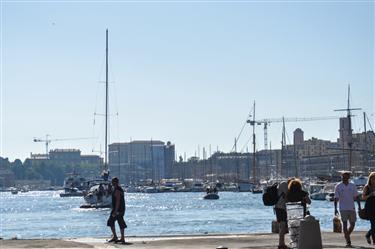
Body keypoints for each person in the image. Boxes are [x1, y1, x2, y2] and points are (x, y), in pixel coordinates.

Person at [334, 171, 361, 247]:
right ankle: (348, 241)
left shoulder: (352, 186)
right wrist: (335, 209)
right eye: (343, 177)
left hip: (352, 207)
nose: (344, 178)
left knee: (353, 224)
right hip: (343, 208)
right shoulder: (338, 186)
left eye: (346, 177)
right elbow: (336, 198)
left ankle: (347, 235)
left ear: (348, 177)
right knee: (345, 225)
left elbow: (356, 197)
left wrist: (359, 206)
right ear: (341, 177)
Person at [107, 177, 127, 244]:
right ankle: (121, 238)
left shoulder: (117, 190)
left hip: (118, 209)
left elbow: (118, 201)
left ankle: (117, 237)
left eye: (113, 182)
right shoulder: (118, 189)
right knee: (118, 221)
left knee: (111, 221)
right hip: (120, 209)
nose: (112, 183)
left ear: (115, 182)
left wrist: (115, 211)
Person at [274, 180, 289, 249]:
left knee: (281, 226)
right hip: (281, 208)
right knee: (282, 227)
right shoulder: (284, 184)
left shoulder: (281, 185)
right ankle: (281, 244)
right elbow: (286, 196)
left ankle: (281, 243)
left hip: (277, 208)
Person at [362, 172, 375, 245]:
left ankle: (368, 235)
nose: (374, 180)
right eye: (373, 179)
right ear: (370, 179)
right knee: (373, 224)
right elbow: (363, 197)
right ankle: (374, 240)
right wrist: (370, 195)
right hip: (370, 208)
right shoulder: (367, 187)